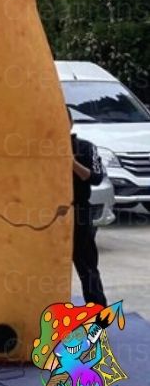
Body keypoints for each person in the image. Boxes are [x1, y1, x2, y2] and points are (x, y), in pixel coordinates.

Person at [69, 110, 107, 306]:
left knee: (87, 267)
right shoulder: (39, 148)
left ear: (70, 122)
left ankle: (98, 314)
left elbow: (96, 177)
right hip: (48, 216)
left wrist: (71, 163)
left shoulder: (84, 147)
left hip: (79, 212)